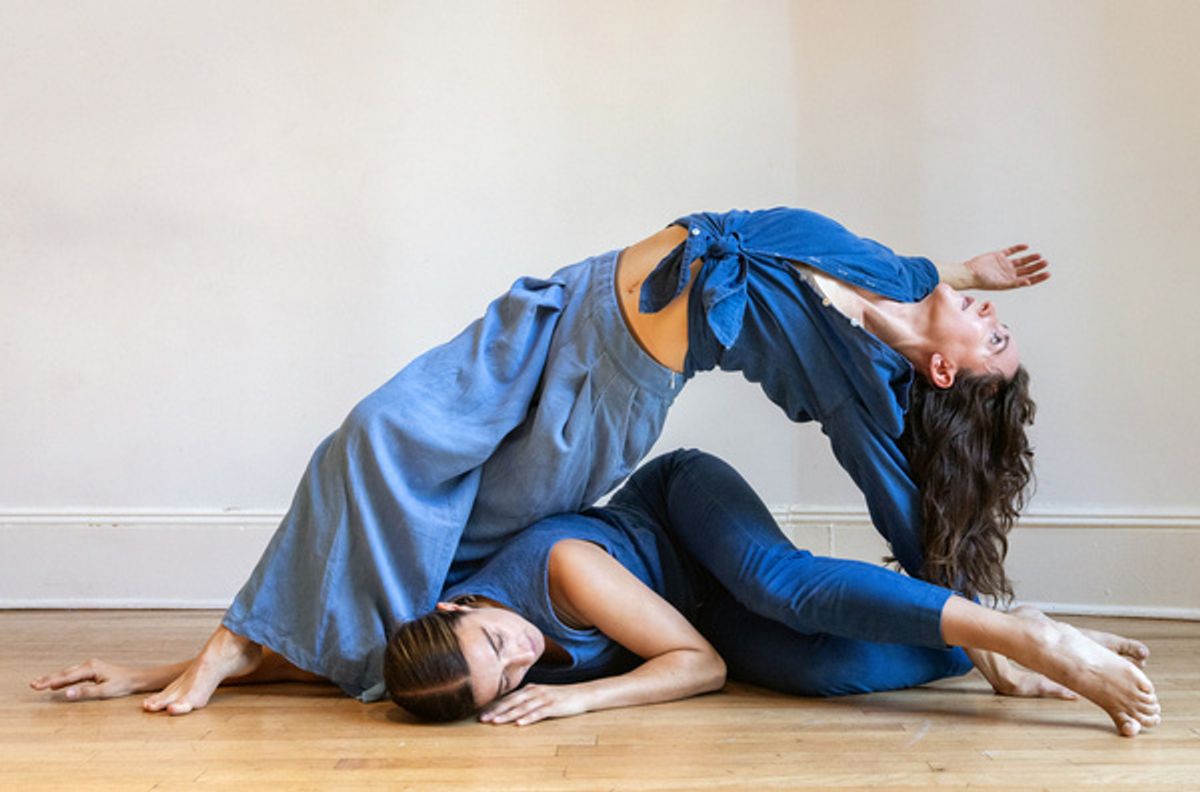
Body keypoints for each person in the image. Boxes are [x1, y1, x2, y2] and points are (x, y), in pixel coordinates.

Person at [36, 207, 1053, 709]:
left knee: (437, 574)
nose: (992, 315)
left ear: (944, 378)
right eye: (996, 318)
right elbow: (883, 284)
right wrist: (960, 271)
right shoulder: (888, 269)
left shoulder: (858, 386)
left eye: (992, 339)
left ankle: (246, 651)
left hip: (600, 397)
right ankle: (230, 644)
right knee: (376, 436)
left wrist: (985, 622)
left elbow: (899, 498)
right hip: (558, 309)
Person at [33, 451, 1161, 737]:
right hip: (681, 613)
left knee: (783, 584)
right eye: (510, 678)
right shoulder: (434, 657)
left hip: (684, 519)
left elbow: (701, 669)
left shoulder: (556, 578)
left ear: (465, 607)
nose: (523, 656)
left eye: (500, 643)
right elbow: (309, 663)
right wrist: (160, 673)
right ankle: (984, 645)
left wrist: (583, 701)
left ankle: (1033, 632)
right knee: (831, 672)